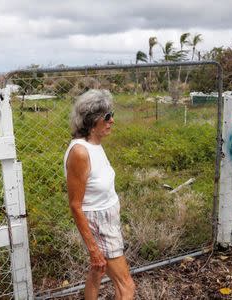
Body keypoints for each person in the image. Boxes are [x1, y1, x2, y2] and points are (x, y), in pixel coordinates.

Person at [63, 89, 135, 299]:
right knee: (126, 286)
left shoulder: (94, 145)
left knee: (97, 272)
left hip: (107, 220)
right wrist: (94, 249)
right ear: (92, 121)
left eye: (112, 114)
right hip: (99, 224)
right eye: (107, 116)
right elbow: (76, 205)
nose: (112, 120)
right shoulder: (80, 152)